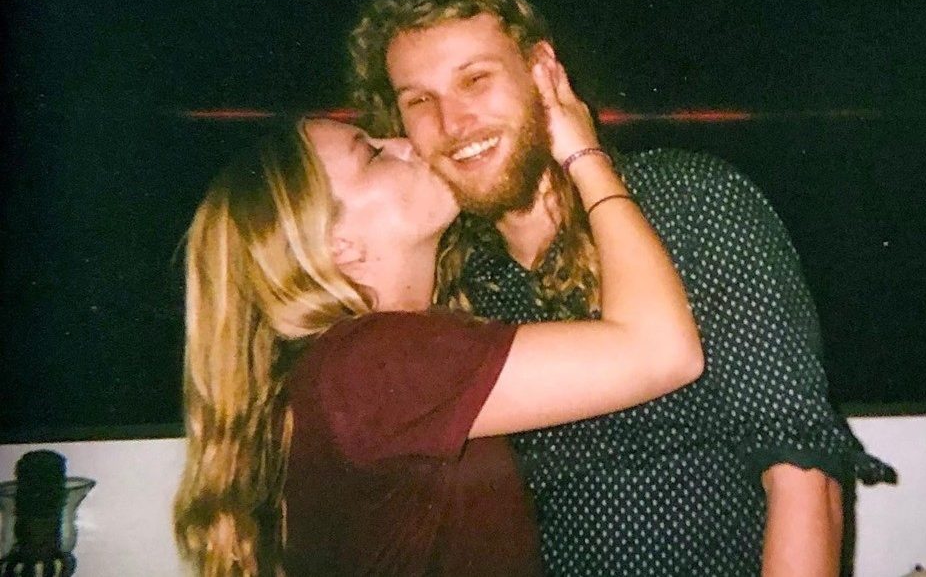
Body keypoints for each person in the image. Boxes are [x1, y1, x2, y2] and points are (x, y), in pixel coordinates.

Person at [349, 0, 896, 576]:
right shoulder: (455, 282)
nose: (453, 124)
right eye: (420, 101)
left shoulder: (685, 202)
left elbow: (803, 473)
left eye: (475, 80)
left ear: (542, 71)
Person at [172, 82, 703, 575]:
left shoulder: (345, 366)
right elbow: (662, 352)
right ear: (339, 245)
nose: (407, 145)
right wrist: (584, 156)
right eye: (372, 154)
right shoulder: (372, 364)